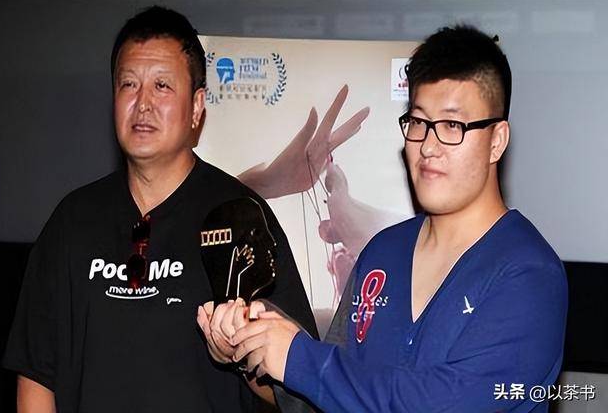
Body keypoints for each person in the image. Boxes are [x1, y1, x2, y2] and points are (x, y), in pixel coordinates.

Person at [206, 25, 569, 412]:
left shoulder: (528, 273)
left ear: (496, 140)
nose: (428, 146)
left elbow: (442, 404)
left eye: (452, 125)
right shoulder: (383, 251)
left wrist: (298, 357)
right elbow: (322, 400)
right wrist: (252, 347)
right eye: (418, 122)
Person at [2, 6, 320, 412]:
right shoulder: (72, 221)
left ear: (197, 105)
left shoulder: (239, 216)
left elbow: (297, 387)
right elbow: (35, 373)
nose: (143, 103)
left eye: (163, 86)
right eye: (128, 84)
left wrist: (240, 352)